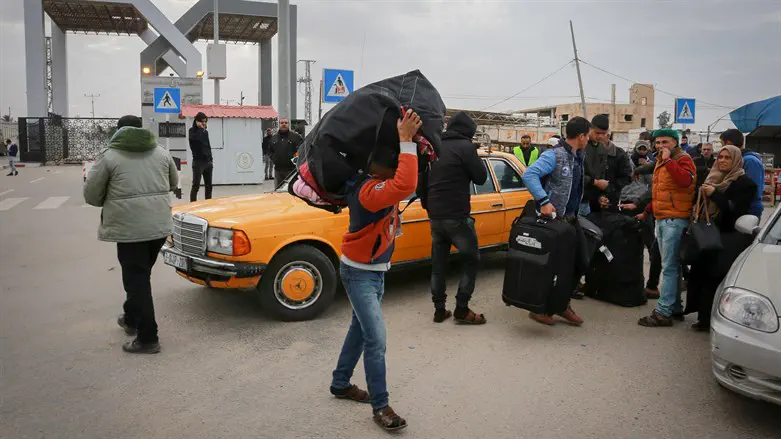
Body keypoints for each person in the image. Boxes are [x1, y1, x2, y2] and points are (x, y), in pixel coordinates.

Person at [330, 109, 422, 432]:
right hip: (359, 274)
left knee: (360, 329)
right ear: (378, 167)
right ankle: (381, 406)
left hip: (375, 271)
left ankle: (340, 383)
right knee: (376, 338)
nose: (397, 169)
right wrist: (406, 140)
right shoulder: (369, 192)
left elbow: (409, 184)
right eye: (393, 163)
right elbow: (407, 182)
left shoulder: (377, 185)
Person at [83, 115, 178, 354]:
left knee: (137, 281)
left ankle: (148, 338)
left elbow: (92, 196)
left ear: (118, 131)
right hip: (158, 227)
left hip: (129, 229)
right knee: (139, 276)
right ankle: (131, 318)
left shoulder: (109, 156)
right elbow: (172, 183)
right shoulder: (161, 152)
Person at [521, 116, 591, 327]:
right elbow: (530, 174)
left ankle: (561, 303)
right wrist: (543, 200)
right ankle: (541, 308)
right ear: (581, 136)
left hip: (571, 218)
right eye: (587, 135)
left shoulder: (577, 156)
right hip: (554, 220)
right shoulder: (555, 155)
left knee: (581, 262)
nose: (588, 139)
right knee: (551, 266)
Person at [685, 145, 757, 331]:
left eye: (728, 158)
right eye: (721, 157)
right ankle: (703, 317)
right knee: (700, 276)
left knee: (716, 278)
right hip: (707, 234)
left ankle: (717, 320)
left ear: (736, 161)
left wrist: (715, 195)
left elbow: (737, 211)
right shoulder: (712, 177)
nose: (723, 161)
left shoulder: (745, 183)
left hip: (728, 238)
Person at [426, 111, 488, 324]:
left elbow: (421, 181)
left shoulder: (434, 146)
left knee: (438, 264)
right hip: (456, 216)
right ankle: (462, 308)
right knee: (471, 258)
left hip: (435, 215)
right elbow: (481, 178)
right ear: (468, 133)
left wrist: (429, 207)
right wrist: (474, 155)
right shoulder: (466, 148)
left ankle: (439, 310)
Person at [635, 128, 696, 327]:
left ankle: (663, 311)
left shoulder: (682, 159)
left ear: (675, 142)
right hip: (663, 217)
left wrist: (669, 161)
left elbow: (685, 181)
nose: (661, 146)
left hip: (674, 219)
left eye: (665, 142)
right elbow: (660, 191)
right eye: (658, 143)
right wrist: (647, 210)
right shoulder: (662, 161)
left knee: (669, 267)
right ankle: (675, 307)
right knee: (674, 266)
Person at [583, 114, 632, 214]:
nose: (600, 136)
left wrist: (606, 193)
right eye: (597, 133)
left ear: (608, 134)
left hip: (609, 201)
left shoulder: (619, 154)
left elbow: (625, 178)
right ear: (590, 129)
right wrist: (595, 183)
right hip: (585, 201)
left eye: (603, 133)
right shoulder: (583, 147)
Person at [720, 129, 764, 218]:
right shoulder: (739, 159)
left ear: (728, 143)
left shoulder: (750, 161)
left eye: (722, 143)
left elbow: (751, 189)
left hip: (749, 209)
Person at [269, 118, 304, 188]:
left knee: (292, 190)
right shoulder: (273, 138)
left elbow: (302, 150)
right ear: (279, 124)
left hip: (292, 170)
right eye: (282, 123)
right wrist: (275, 159)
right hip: (278, 170)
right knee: (278, 190)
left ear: (288, 124)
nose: (284, 124)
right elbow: (270, 151)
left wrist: (295, 160)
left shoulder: (296, 137)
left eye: (286, 123)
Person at [188, 112, 213, 202]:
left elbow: (208, 146)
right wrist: (200, 129)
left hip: (208, 162)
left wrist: (211, 160)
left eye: (205, 122)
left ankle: (208, 203)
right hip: (198, 163)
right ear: (197, 121)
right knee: (196, 186)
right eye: (202, 122)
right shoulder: (192, 131)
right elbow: (195, 140)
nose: (204, 124)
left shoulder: (205, 132)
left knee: (209, 186)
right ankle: (192, 205)